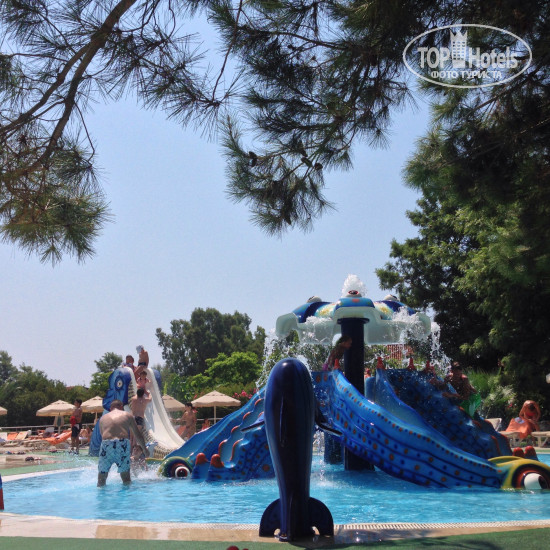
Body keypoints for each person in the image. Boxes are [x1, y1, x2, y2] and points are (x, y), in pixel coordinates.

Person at [97, 399, 146, 486]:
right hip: (122, 443)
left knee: (101, 479)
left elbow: (102, 436)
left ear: (110, 408)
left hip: (106, 443)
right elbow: (137, 435)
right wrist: (145, 450)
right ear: (121, 407)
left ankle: (101, 493)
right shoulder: (127, 415)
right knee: (126, 478)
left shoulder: (103, 418)